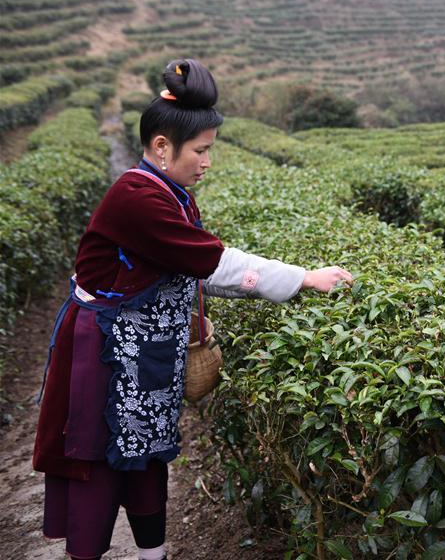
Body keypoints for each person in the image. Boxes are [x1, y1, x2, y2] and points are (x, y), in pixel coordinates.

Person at [32, 59, 353, 560]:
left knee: (148, 458)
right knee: (100, 463)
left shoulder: (170, 192)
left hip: (145, 351)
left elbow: (186, 267)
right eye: (201, 151)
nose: (207, 162)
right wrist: (304, 279)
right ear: (162, 147)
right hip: (108, 355)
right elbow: (210, 261)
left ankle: (152, 553)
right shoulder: (136, 196)